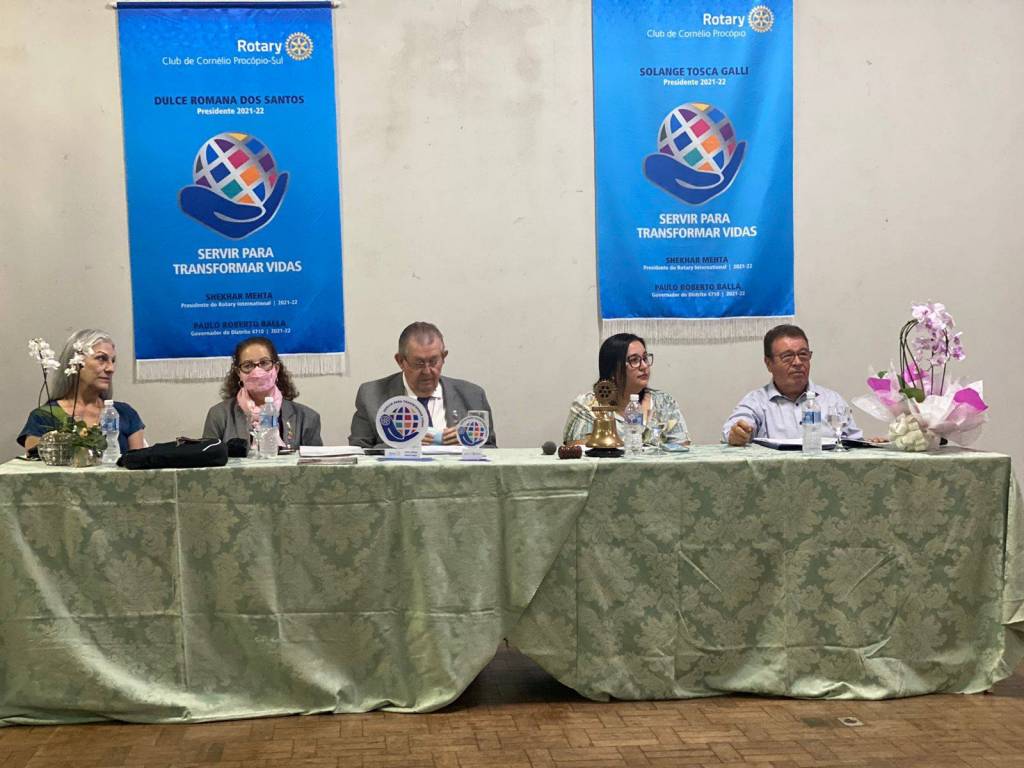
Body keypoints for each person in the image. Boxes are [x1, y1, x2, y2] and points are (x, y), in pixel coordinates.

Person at [349, 321, 496, 449]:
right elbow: (359, 452)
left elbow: (491, 450)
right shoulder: (371, 396)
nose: (427, 371)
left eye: (434, 362)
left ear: (444, 357)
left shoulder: (473, 396)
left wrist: (469, 443)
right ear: (400, 361)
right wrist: (401, 444)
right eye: (419, 363)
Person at [723, 324, 863, 445]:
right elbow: (731, 431)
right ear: (769, 363)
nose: (797, 362)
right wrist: (737, 434)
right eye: (788, 357)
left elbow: (855, 443)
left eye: (803, 355)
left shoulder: (832, 401)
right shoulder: (756, 402)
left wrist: (870, 445)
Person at [19, 328, 146, 453]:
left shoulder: (124, 414)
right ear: (75, 363)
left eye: (112, 361)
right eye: (101, 358)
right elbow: (34, 464)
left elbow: (140, 464)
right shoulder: (45, 417)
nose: (111, 368)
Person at [563, 333, 689, 447]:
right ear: (612, 370)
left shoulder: (665, 402)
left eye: (645, 358)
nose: (644, 366)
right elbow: (580, 453)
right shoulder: (588, 406)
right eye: (634, 360)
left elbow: (682, 449)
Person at [203, 336, 322, 449]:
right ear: (239, 373)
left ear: (276, 368)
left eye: (264, 363)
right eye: (248, 365)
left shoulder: (307, 418)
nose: (257, 371)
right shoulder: (219, 415)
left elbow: (316, 463)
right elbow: (208, 459)